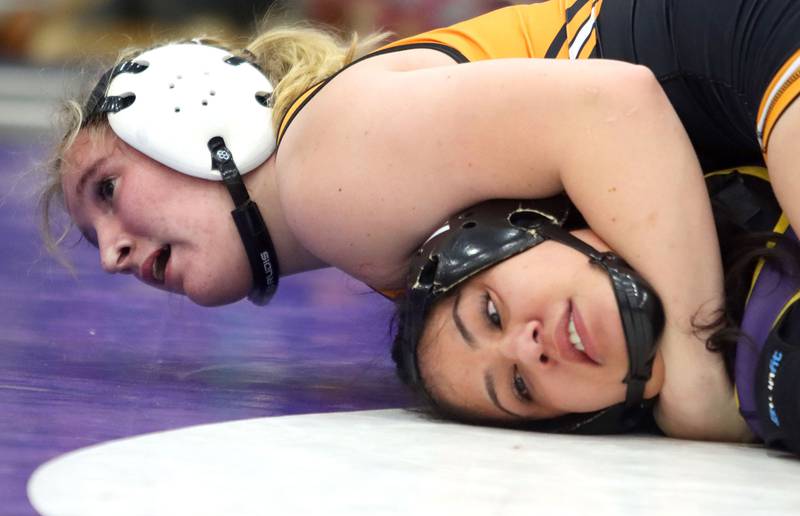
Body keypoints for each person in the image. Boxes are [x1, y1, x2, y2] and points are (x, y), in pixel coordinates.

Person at [38, 1, 799, 439]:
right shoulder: (349, 204)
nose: (113, 254)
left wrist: (694, 375)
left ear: (187, 116)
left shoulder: (323, 174)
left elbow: (618, 109)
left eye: (107, 191)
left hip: (754, 53)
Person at [392, 167, 800, 454]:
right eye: (520, 386)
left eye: (492, 314)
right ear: (585, 419)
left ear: (530, 228)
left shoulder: (693, 118)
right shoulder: (778, 377)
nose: (527, 350)